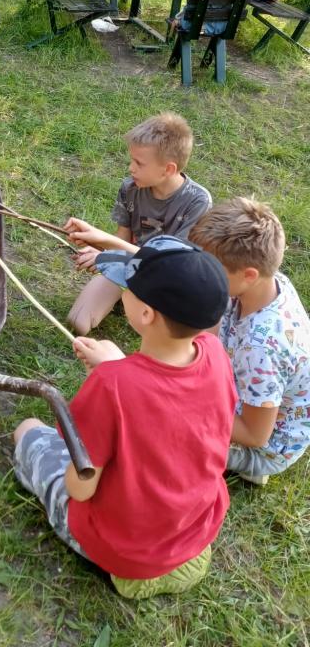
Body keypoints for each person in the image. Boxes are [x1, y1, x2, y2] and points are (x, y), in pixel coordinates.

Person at [13, 235, 236, 599]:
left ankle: (131, 570)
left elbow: (80, 488)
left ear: (146, 314)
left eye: (125, 287)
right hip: (193, 530)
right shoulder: (215, 353)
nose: (121, 291)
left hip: (124, 550)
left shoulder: (111, 385)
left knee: (28, 430)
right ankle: (168, 563)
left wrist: (112, 374)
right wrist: (117, 366)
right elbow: (165, 398)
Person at [189, 198, 310, 485]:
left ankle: (250, 469)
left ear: (249, 275)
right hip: (247, 388)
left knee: (168, 427)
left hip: (264, 447)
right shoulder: (266, 283)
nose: (201, 274)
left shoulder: (262, 350)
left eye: (211, 268)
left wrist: (189, 403)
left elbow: (255, 435)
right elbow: (214, 323)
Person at [64, 112, 211, 334]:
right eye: (131, 160)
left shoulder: (198, 201)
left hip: (169, 282)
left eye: (139, 163)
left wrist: (107, 250)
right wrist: (100, 250)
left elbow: (173, 264)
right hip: (129, 265)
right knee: (78, 322)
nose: (131, 168)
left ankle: (135, 300)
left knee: (156, 330)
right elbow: (123, 236)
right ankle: (126, 296)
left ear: (168, 169)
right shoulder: (130, 188)